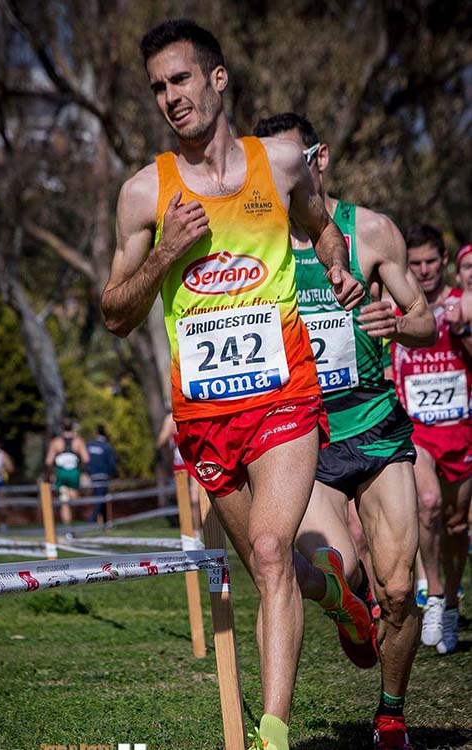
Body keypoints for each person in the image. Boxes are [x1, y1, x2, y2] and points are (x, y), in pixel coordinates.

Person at [102, 20, 370, 750]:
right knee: (269, 568)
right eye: (158, 87)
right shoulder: (142, 195)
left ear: (218, 79)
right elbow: (115, 313)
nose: (170, 98)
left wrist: (340, 267)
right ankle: (341, 597)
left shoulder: (280, 163)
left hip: (283, 398)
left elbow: (322, 226)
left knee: (274, 549)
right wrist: (166, 254)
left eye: (181, 79)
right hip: (205, 417)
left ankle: (272, 736)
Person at [254, 112, 436, 750]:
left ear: (319, 159)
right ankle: (348, 603)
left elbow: (426, 322)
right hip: (310, 436)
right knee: (340, 569)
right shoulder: (259, 246)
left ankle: (391, 714)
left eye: (290, 162)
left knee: (399, 590)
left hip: (378, 428)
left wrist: (396, 323)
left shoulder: (372, 231)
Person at [392, 224, 472, 655]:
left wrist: (463, 330)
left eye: (429, 261)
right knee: (428, 504)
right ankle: (436, 595)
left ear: (443, 261)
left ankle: (454, 598)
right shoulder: (397, 303)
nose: (422, 270)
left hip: (461, 428)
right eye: (415, 262)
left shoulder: (463, 305)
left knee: (458, 524)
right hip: (418, 429)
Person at [44, 417, 90, 525]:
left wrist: (51, 474)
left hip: (61, 473)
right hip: (74, 472)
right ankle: (71, 526)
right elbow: (86, 459)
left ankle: (68, 528)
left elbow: (48, 461)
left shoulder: (56, 442)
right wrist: (82, 470)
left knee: (64, 501)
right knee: (73, 499)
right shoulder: (78, 441)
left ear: (62, 427)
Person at [87, 425, 117, 524]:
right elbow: (112, 463)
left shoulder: (89, 445)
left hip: (93, 475)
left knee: (99, 497)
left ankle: (104, 521)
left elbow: (86, 460)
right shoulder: (107, 446)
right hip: (103, 476)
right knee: (100, 498)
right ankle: (93, 520)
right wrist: (111, 474)